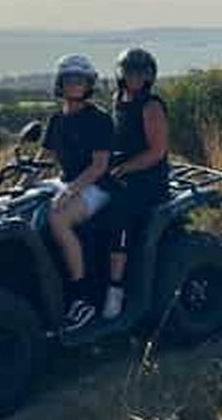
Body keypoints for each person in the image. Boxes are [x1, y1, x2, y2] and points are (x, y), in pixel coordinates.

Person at [42, 54, 113, 332]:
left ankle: (82, 298)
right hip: (67, 182)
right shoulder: (57, 119)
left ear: (88, 85)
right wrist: (20, 184)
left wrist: (70, 191)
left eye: (80, 80)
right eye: (69, 80)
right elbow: (44, 158)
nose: (74, 85)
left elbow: (99, 167)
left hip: (97, 186)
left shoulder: (98, 119)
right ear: (61, 83)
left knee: (59, 220)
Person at [102, 48, 170, 320]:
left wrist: (125, 168)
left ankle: (115, 289)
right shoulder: (118, 99)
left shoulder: (151, 106)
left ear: (149, 76)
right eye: (129, 72)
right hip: (119, 169)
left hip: (148, 177)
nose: (134, 78)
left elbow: (158, 151)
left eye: (140, 73)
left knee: (119, 210)